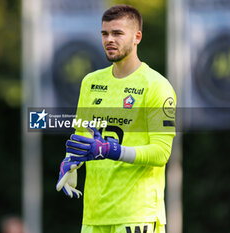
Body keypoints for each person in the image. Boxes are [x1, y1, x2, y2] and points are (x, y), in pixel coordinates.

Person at [56, 4, 176, 233]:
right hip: (94, 215)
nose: (109, 39)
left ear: (137, 37)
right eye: (105, 33)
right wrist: (70, 161)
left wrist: (113, 150)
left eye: (118, 33)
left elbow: (162, 152)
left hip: (137, 215)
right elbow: (82, 138)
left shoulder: (157, 86)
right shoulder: (90, 82)